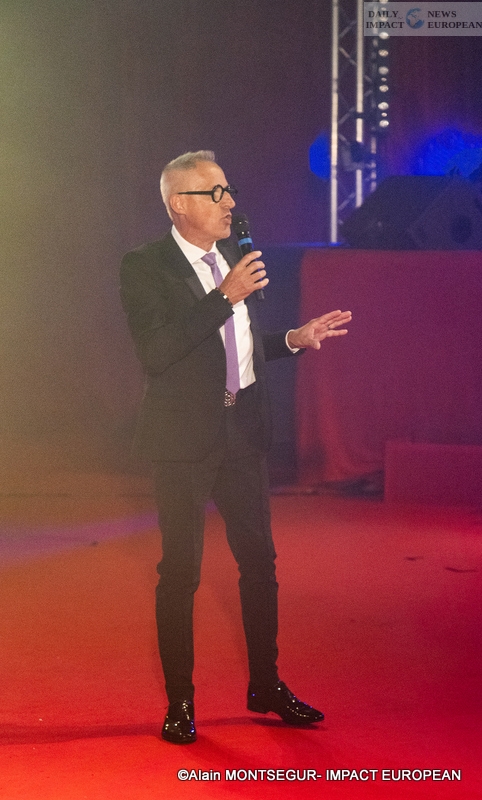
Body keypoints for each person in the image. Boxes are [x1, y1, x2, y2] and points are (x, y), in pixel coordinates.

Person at [120, 150, 351, 744]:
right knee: (181, 572)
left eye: (229, 190)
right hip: (183, 441)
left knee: (259, 562)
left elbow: (235, 348)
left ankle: (265, 685)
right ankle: (180, 701)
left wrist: (292, 339)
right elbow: (160, 352)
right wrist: (224, 295)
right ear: (179, 204)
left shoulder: (232, 260)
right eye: (215, 193)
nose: (230, 204)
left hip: (241, 433)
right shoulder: (145, 266)